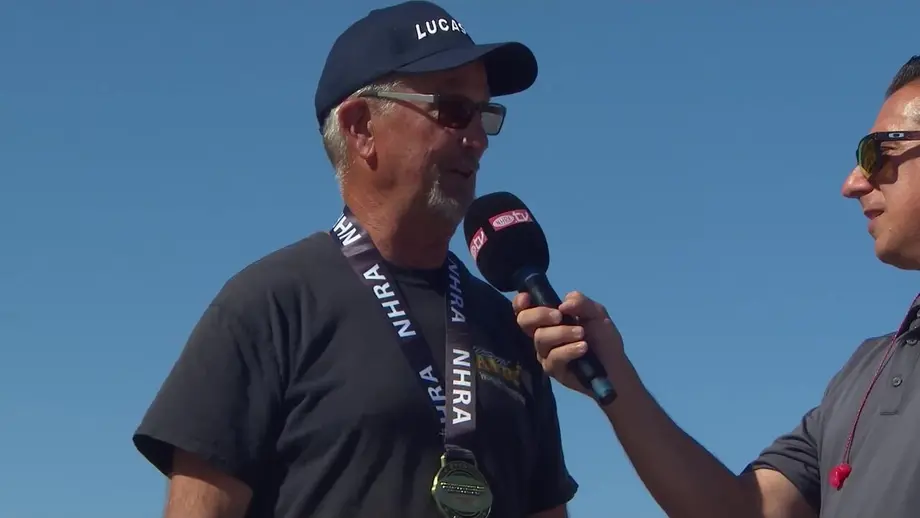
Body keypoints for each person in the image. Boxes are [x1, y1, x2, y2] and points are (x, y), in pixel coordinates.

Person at [132, 2, 578, 517]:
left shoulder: (509, 331)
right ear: (361, 126)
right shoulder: (269, 307)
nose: (477, 140)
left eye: (486, 115)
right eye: (454, 110)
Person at [513, 54, 920, 518]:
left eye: (877, 153)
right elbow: (746, 511)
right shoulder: (865, 374)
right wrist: (614, 377)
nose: (853, 183)